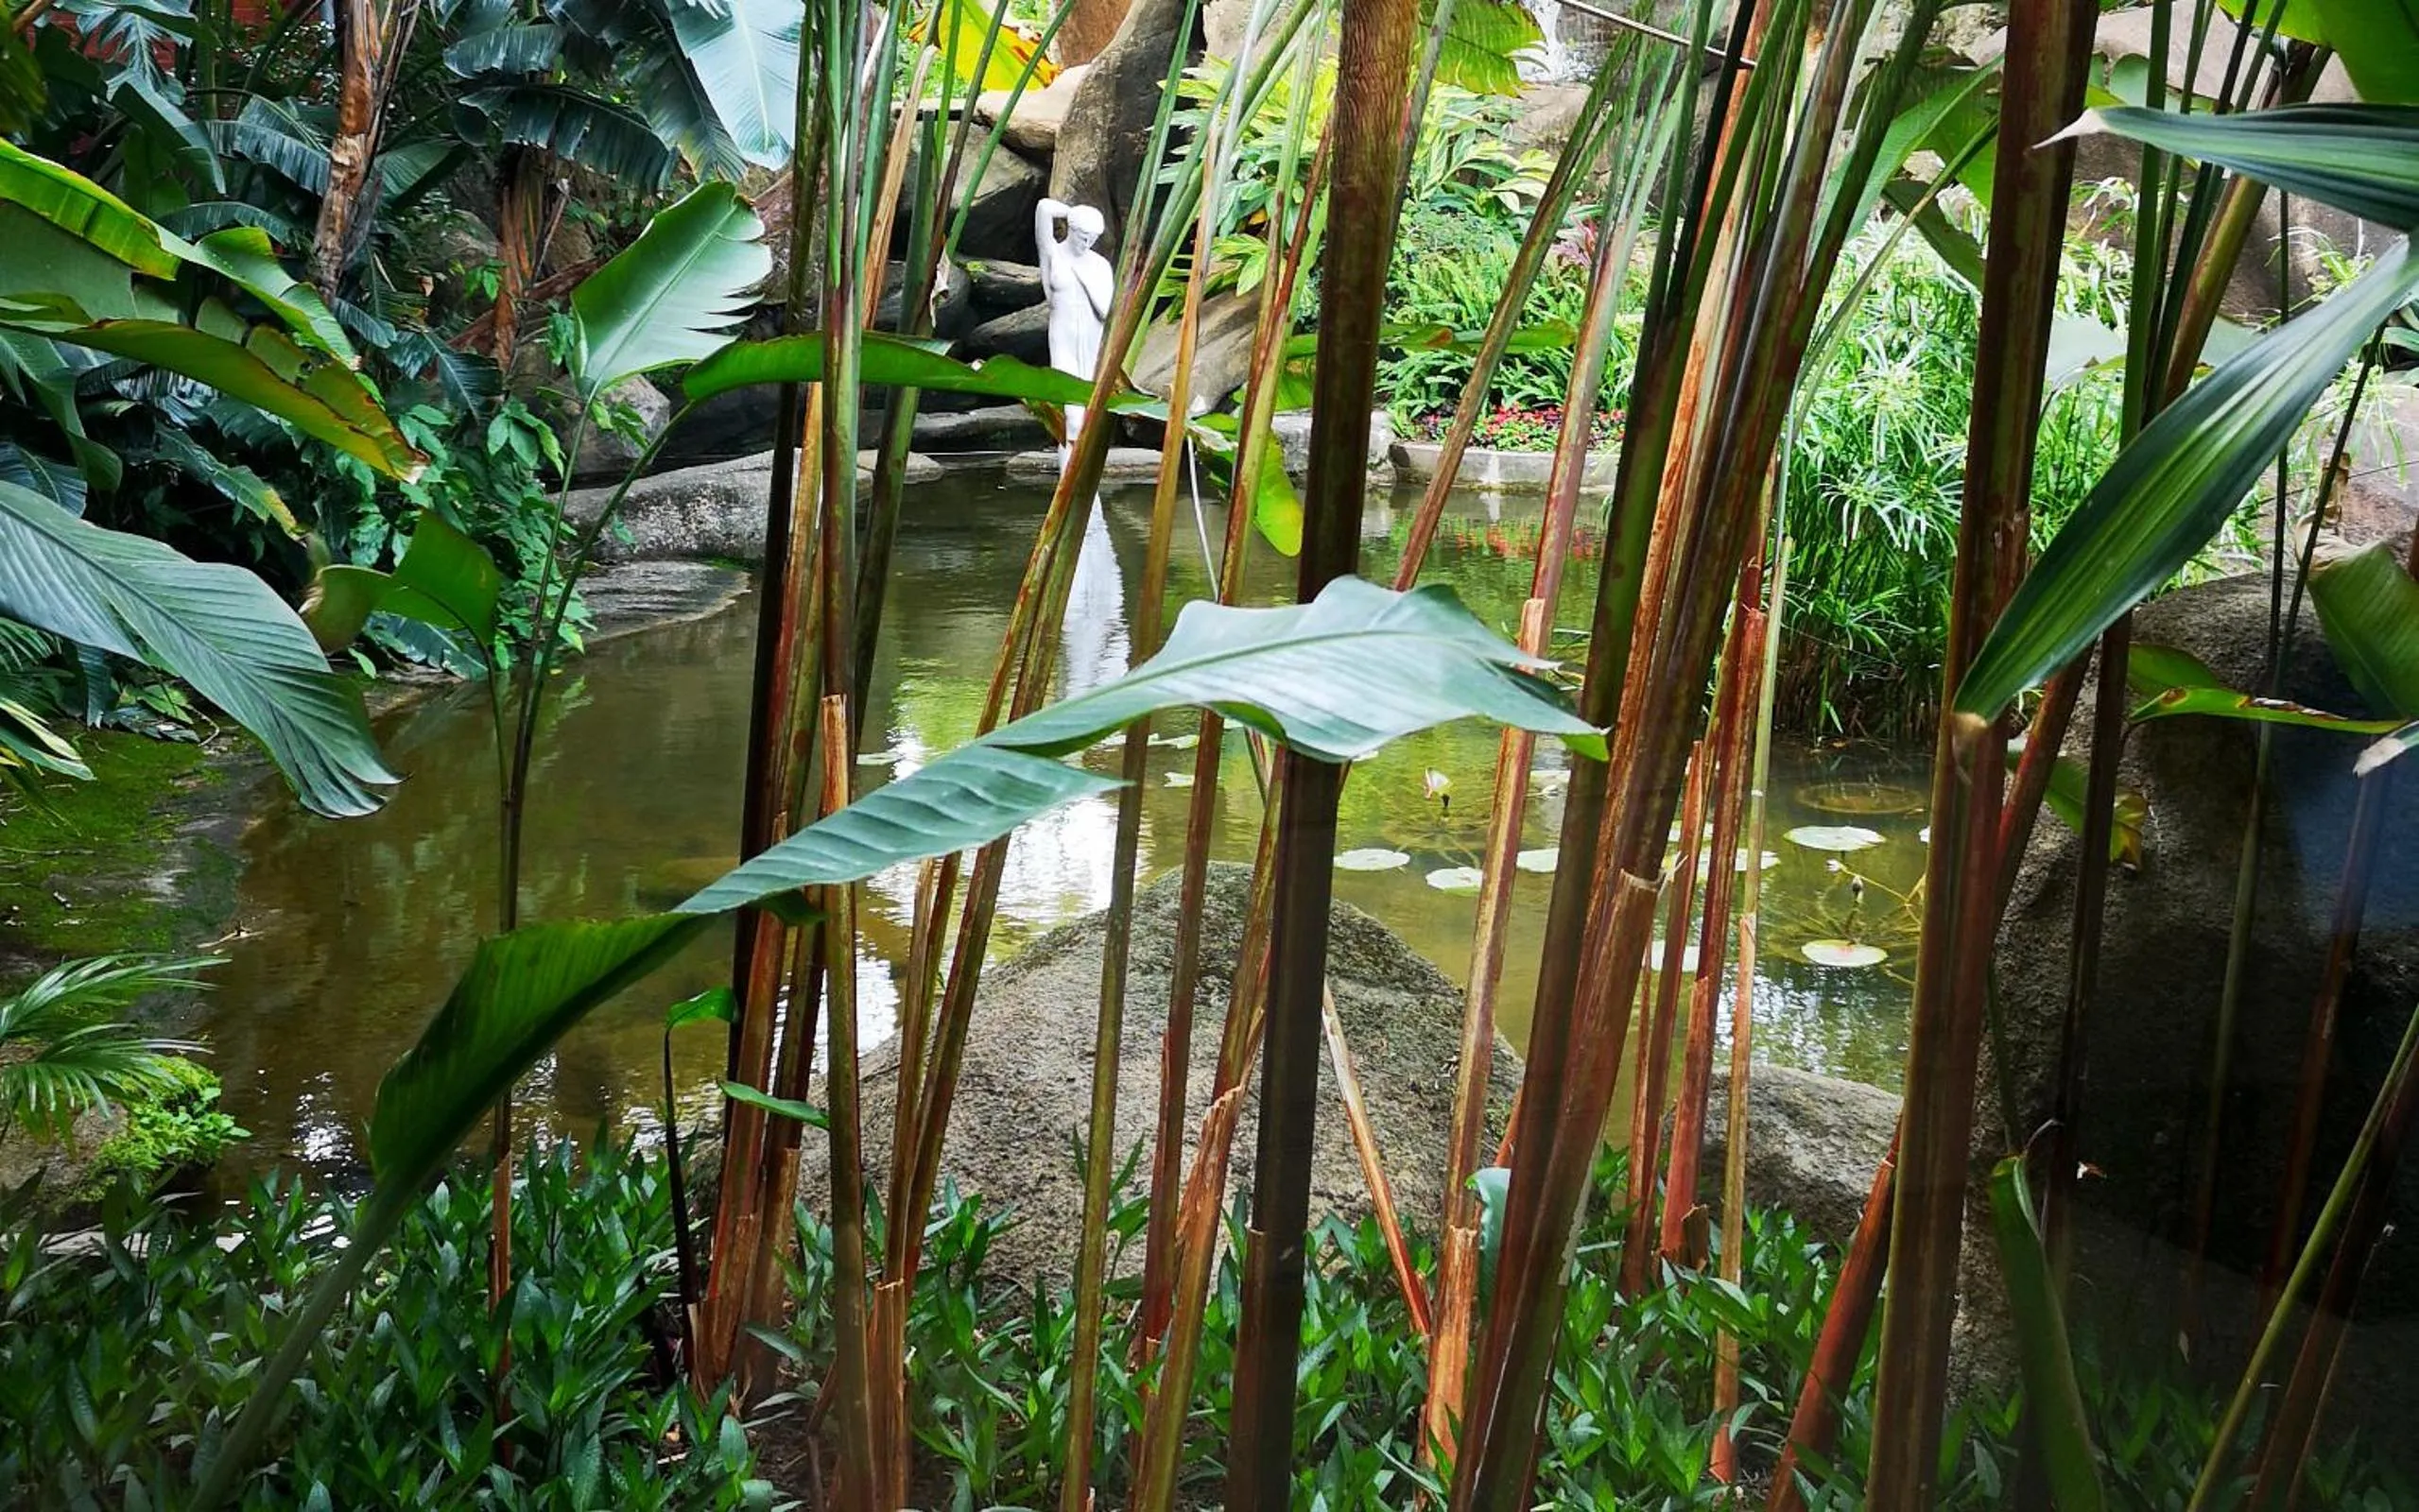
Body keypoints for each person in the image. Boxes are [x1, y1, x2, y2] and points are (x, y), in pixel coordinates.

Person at [1035, 198, 1114, 458]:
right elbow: (1044, 208)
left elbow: (1106, 311)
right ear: (1070, 229)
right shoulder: (1053, 253)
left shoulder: (1100, 265)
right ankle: (1067, 485)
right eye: (1082, 235)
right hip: (1063, 339)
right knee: (1071, 415)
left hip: (1092, 338)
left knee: (1089, 415)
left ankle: (1088, 493)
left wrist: (1086, 278)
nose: (1087, 243)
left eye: (1092, 238)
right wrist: (1077, 213)